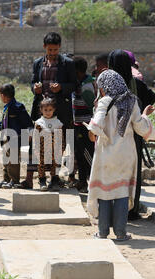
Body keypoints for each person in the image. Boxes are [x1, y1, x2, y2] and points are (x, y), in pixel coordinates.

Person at [86, 69, 155, 241]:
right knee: (122, 192)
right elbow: (141, 128)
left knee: (104, 192)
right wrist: (146, 115)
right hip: (126, 155)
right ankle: (121, 232)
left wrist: (96, 134)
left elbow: (95, 128)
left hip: (106, 155)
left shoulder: (104, 102)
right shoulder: (132, 101)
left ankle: (102, 232)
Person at [21, 31, 77, 189]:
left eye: (55, 50)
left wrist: (62, 88)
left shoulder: (67, 63)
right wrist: (35, 89)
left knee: (58, 146)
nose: (52, 53)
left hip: (59, 112)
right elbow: (32, 83)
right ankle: (38, 177)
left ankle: (55, 178)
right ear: (44, 47)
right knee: (37, 146)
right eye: (49, 50)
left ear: (59, 47)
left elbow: (74, 85)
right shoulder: (38, 63)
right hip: (41, 112)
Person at [108, 49, 155, 221]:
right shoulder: (136, 84)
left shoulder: (107, 84)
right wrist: (143, 113)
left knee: (112, 172)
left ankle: (112, 212)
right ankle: (131, 210)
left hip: (112, 136)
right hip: (133, 136)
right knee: (132, 173)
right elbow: (153, 97)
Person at [0, 84, 33, 189]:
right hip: (6, 138)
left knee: (13, 160)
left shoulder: (18, 107)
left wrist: (30, 131)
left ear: (3, 96)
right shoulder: (7, 107)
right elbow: (4, 120)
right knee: (6, 159)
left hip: (15, 138)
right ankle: (6, 179)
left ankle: (14, 180)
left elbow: (27, 121)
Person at [72, 57, 96, 193]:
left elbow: (92, 106)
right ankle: (82, 182)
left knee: (87, 154)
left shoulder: (86, 86)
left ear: (77, 71)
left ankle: (92, 182)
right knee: (79, 154)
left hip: (86, 125)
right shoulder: (79, 83)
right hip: (78, 124)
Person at [33, 98, 64, 191]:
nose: (48, 112)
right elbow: (35, 136)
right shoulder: (39, 123)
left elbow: (61, 136)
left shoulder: (57, 123)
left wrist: (62, 147)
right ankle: (42, 181)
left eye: (50, 110)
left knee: (55, 164)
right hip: (42, 148)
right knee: (41, 164)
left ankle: (54, 181)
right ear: (41, 110)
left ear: (54, 110)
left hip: (55, 148)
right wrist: (36, 148)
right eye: (45, 110)